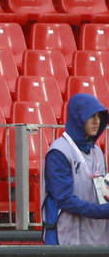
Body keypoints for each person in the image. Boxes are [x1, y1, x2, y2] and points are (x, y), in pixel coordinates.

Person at [43, 93, 109, 245]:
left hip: (97, 237)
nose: (97, 121)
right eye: (91, 116)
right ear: (78, 117)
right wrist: (103, 212)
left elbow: (103, 190)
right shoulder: (58, 152)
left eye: (99, 116)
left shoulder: (97, 152)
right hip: (66, 237)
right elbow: (64, 199)